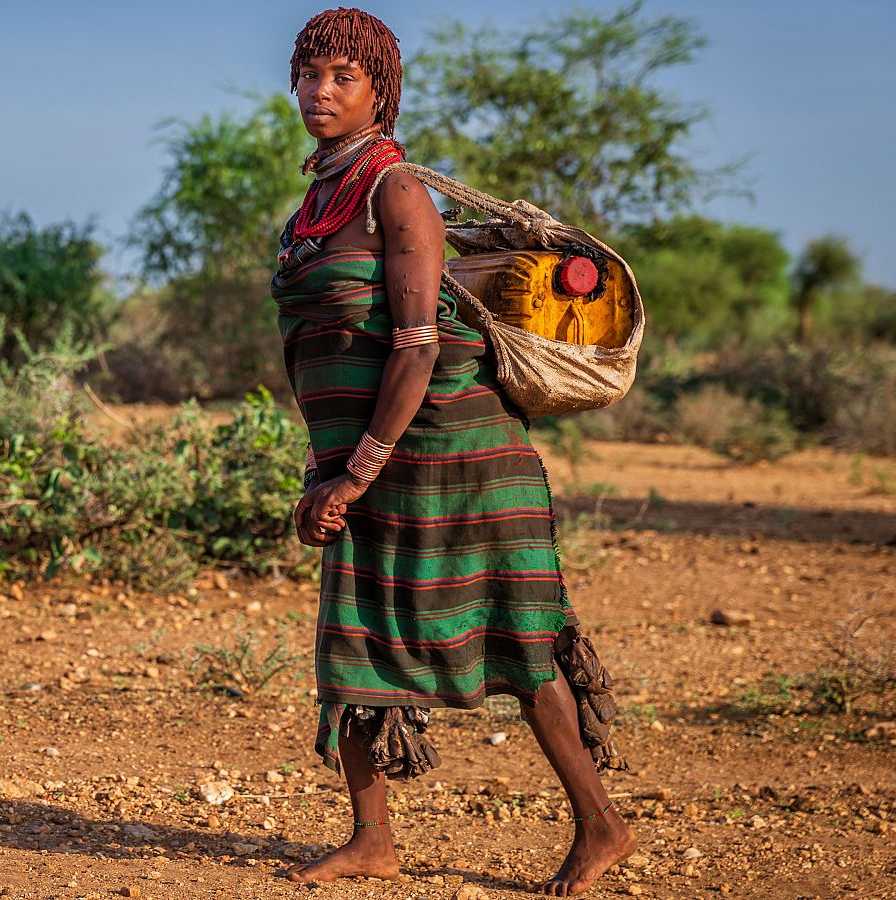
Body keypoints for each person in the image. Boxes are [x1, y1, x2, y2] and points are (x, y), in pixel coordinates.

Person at [271, 8, 637, 896]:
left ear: (380, 93)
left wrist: (354, 473)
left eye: (343, 77)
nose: (321, 91)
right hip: (370, 455)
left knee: (519, 640)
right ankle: (372, 840)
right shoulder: (314, 205)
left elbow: (417, 344)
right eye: (309, 75)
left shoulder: (395, 192)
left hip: (456, 454)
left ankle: (602, 826)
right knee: (352, 637)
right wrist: (330, 468)